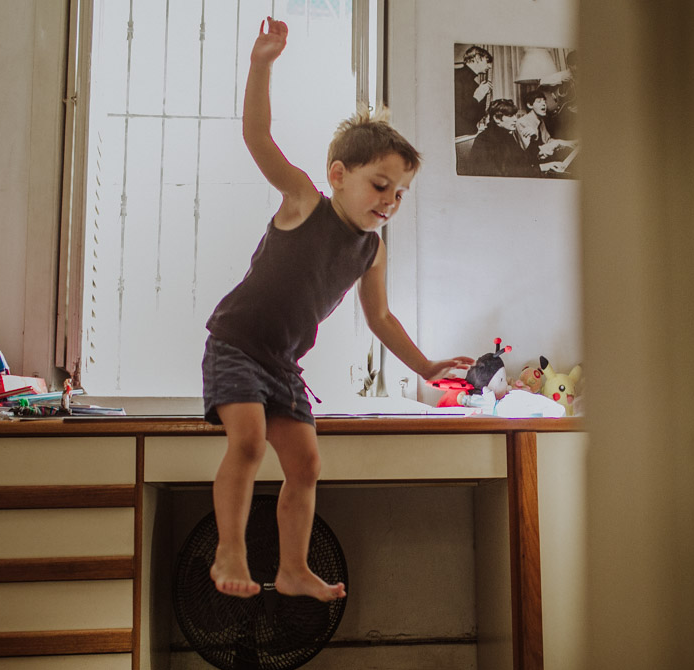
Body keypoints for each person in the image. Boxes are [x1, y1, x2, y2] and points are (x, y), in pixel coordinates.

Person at [203, 17, 474, 601]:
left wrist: (426, 368)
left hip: (281, 362)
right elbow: (257, 138)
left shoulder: (372, 250)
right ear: (338, 175)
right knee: (248, 442)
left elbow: (380, 320)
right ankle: (230, 549)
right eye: (380, 186)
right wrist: (262, 64)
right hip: (236, 343)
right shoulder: (305, 201)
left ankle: (293, 568)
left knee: (305, 463)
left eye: (400, 195)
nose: (390, 202)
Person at [462, 99, 538, 177]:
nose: (515, 119)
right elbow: (489, 174)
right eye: (510, 116)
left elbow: (525, 162)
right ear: (497, 118)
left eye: (515, 115)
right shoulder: (484, 140)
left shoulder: (506, 135)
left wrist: (533, 139)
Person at [454, 45, 493, 137]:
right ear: (477, 58)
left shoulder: (475, 85)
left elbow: (475, 117)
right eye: (488, 61)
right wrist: (477, 96)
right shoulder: (455, 76)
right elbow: (460, 112)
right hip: (458, 136)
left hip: (469, 134)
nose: (490, 66)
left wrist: (483, 97)